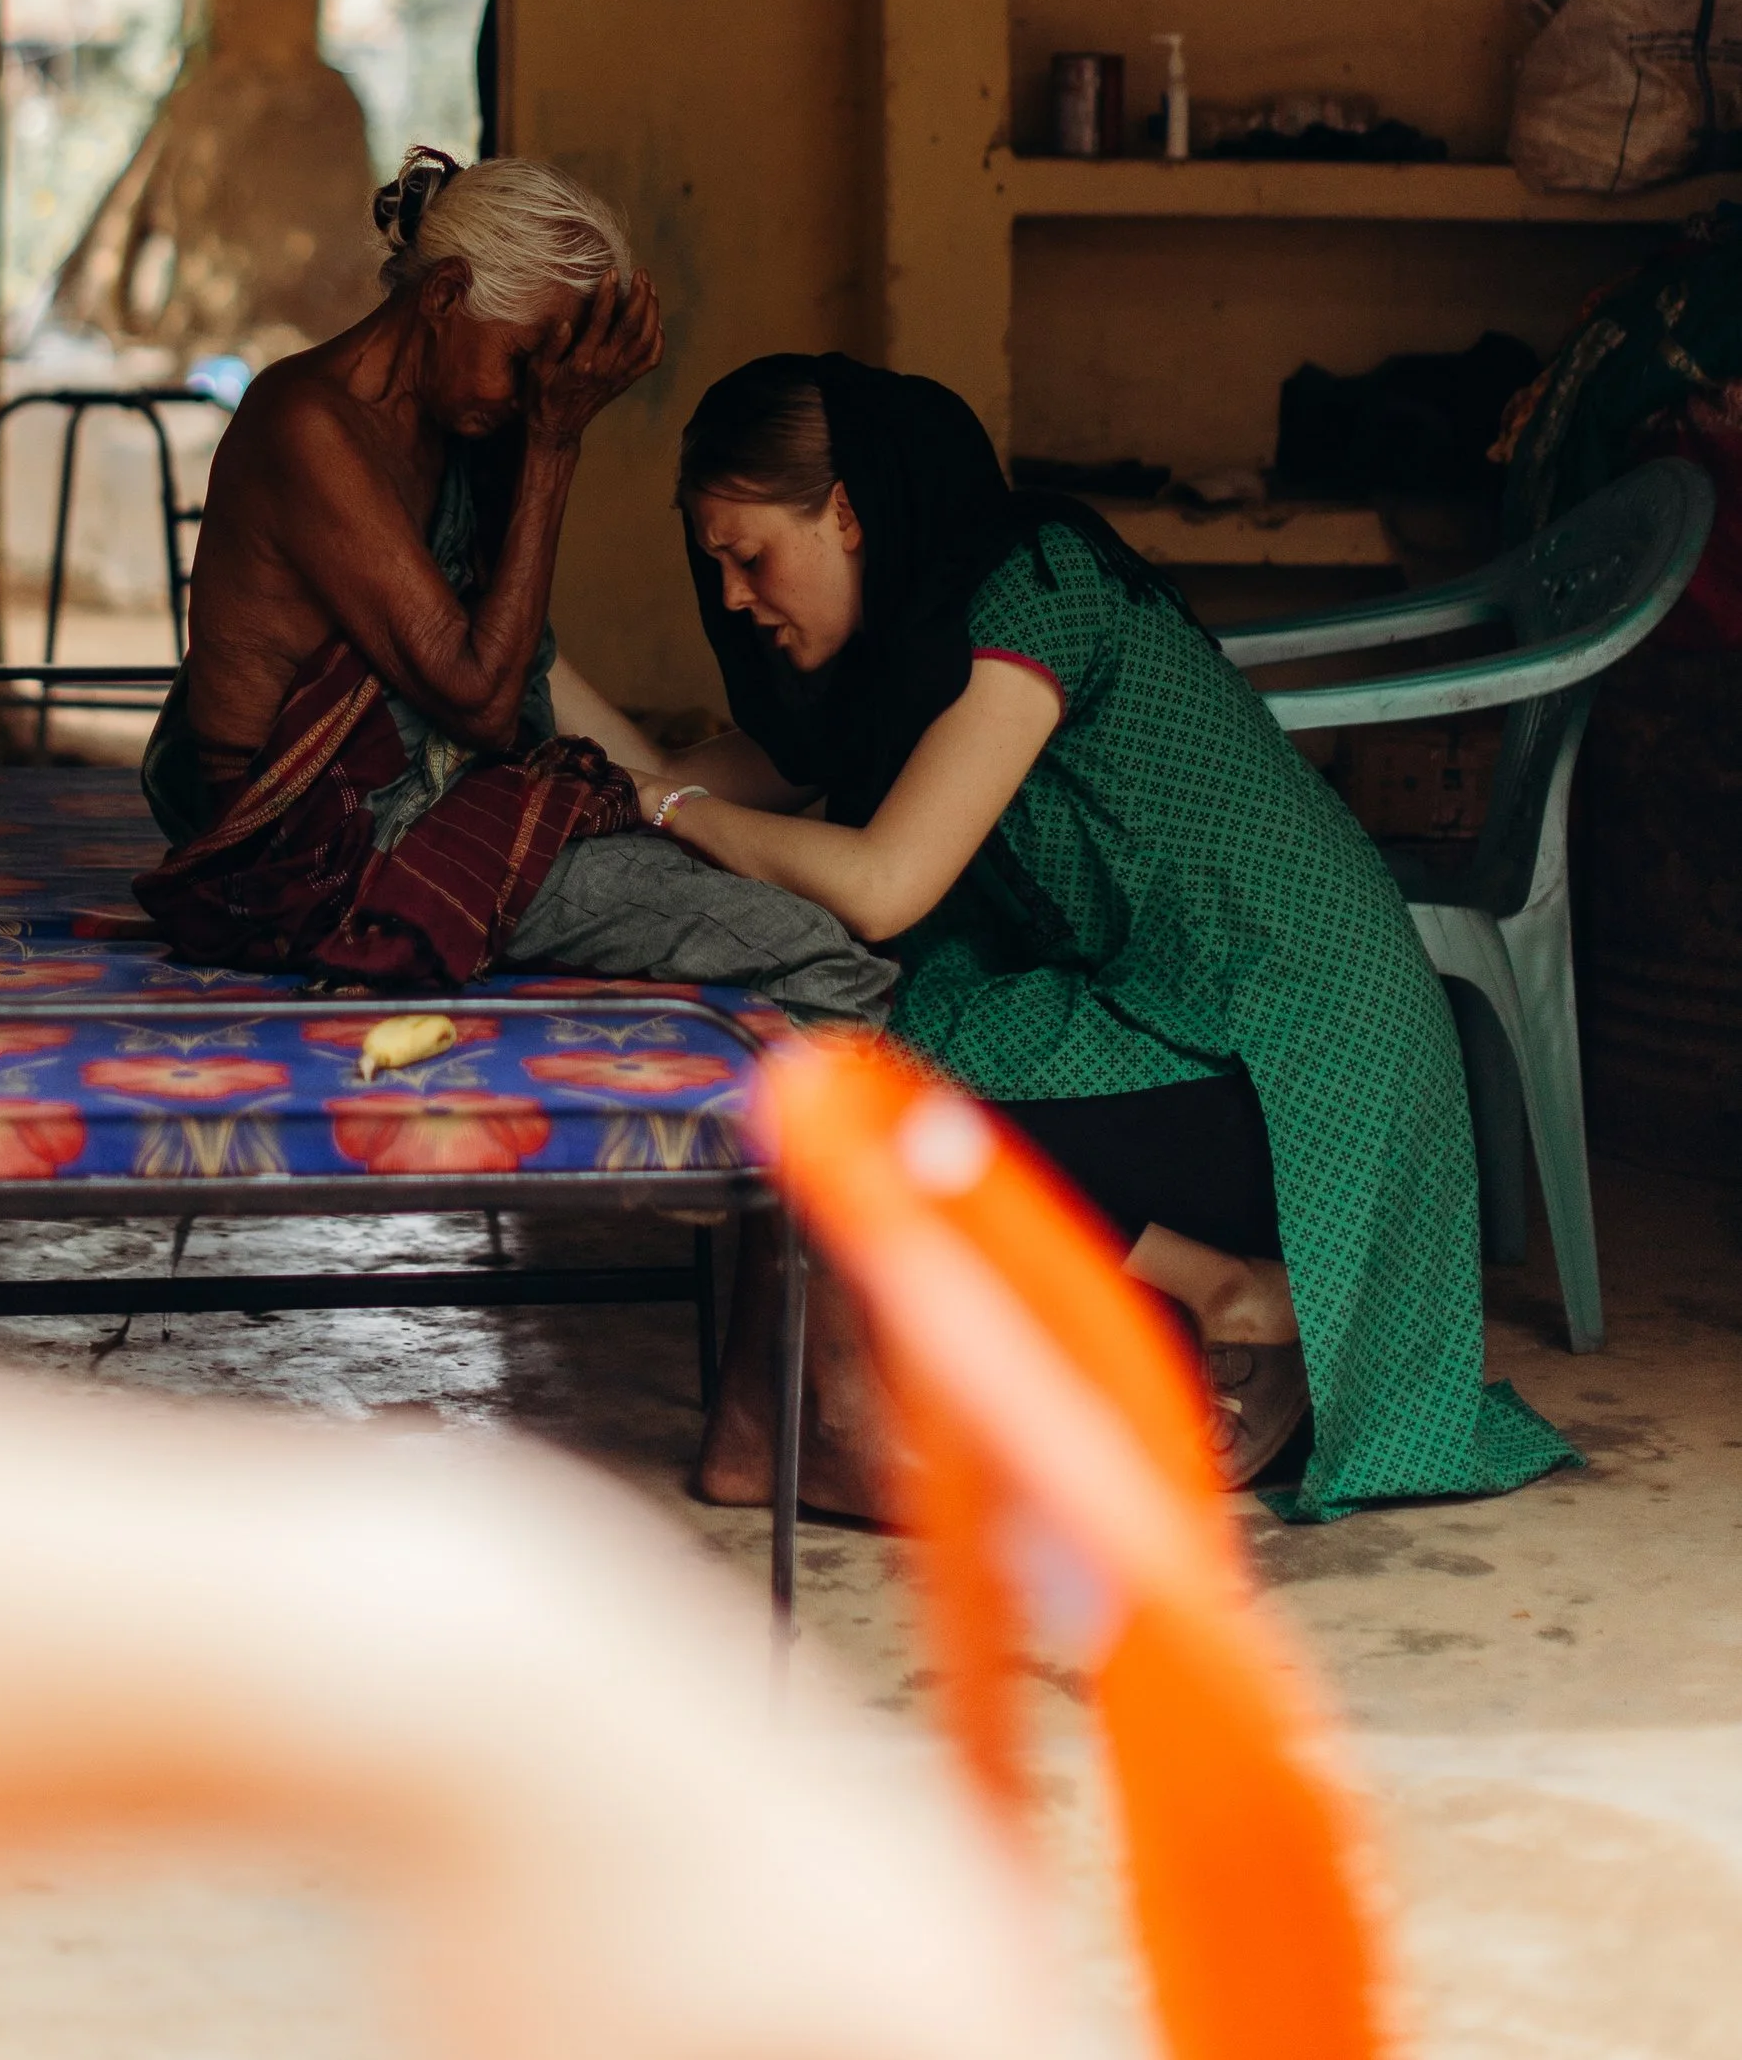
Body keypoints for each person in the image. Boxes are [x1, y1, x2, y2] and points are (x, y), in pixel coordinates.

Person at [640, 351, 1578, 1527]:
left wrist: (669, 812)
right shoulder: (918, 644)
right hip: (1180, 1023)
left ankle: (1231, 1288)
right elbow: (676, 778)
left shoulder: (1033, 591)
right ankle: (1162, 1314)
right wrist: (618, 779)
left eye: (748, 556)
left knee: (860, 1056)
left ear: (844, 513)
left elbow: (879, 882)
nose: (732, 595)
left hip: (1300, 1072)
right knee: (853, 1019)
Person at [136, 155, 897, 1028]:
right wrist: (554, 441)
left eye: (558, 379)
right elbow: (483, 705)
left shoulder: (453, 426)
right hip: (318, 854)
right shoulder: (309, 425)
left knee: (756, 891)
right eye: (529, 359)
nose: (539, 394)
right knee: (826, 961)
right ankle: (746, 1166)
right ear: (445, 295)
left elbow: (518, 672)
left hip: (435, 803)